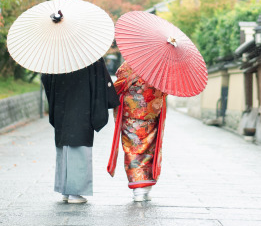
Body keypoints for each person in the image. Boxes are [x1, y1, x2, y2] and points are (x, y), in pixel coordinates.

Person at [42, 57, 119, 204]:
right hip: (82, 108)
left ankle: (65, 189)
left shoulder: (56, 56)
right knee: (79, 146)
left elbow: (45, 78)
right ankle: (75, 193)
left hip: (61, 108)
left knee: (64, 146)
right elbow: (101, 82)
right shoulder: (89, 56)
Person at [106, 60, 167, 202]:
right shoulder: (160, 67)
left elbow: (118, 86)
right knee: (149, 149)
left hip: (131, 116)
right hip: (150, 115)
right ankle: (144, 188)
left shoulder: (129, 64)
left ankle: (137, 187)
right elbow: (164, 91)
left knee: (132, 149)